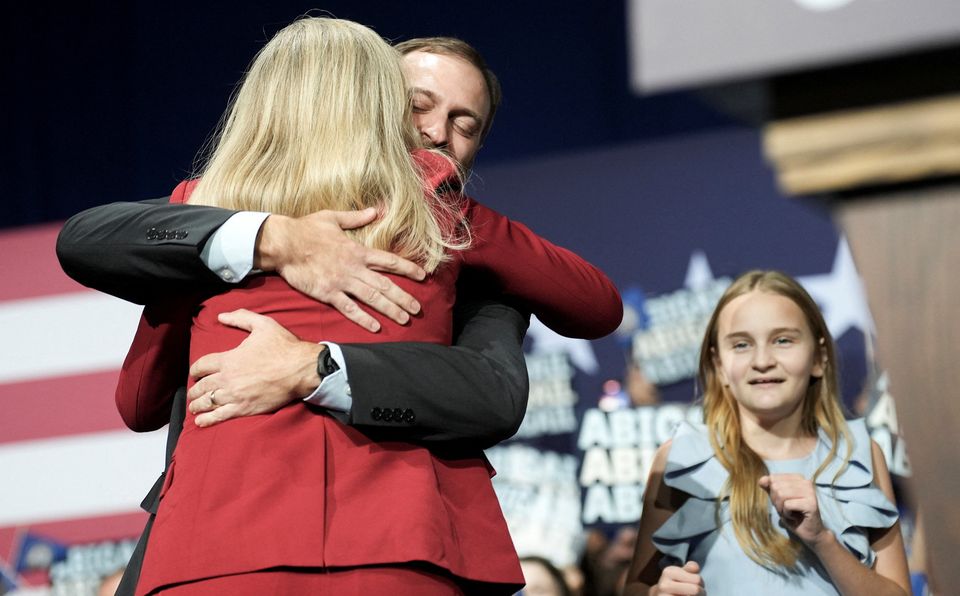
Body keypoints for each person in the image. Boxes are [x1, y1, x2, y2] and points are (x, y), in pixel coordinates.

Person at [98, 17, 620, 595]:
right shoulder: (444, 223)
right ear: (373, 100)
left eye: (462, 122)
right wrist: (277, 240)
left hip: (221, 541)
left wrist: (311, 361)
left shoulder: (208, 213)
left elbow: (138, 397)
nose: (437, 133)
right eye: (417, 105)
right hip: (393, 543)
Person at [623, 270, 909, 596]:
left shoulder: (859, 456)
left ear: (819, 357)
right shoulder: (682, 459)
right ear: (719, 365)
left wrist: (823, 541)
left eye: (783, 340)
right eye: (742, 345)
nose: (762, 360)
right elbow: (637, 585)